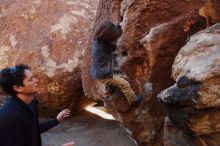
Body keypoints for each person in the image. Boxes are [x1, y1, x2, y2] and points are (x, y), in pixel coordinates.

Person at [0, 64, 71, 146]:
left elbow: (33, 130)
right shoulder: (8, 117)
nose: (36, 80)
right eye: (30, 79)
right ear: (18, 88)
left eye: (33, 77)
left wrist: (56, 120)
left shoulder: (31, 102)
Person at [90, 20, 141, 104]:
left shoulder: (96, 41)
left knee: (107, 82)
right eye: (113, 38)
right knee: (124, 84)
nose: (114, 40)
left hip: (97, 72)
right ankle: (133, 100)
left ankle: (107, 92)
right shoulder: (103, 47)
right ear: (107, 38)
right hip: (104, 75)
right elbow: (114, 47)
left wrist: (116, 29)